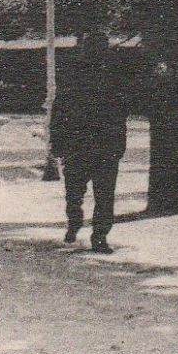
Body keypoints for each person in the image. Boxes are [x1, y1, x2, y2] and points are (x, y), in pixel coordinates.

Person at [51, 37, 129, 254]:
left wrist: (57, 143)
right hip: (86, 144)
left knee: (86, 193)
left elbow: (121, 112)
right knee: (93, 193)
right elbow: (60, 110)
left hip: (91, 145)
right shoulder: (75, 76)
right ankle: (84, 227)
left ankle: (95, 233)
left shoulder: (111, 77)